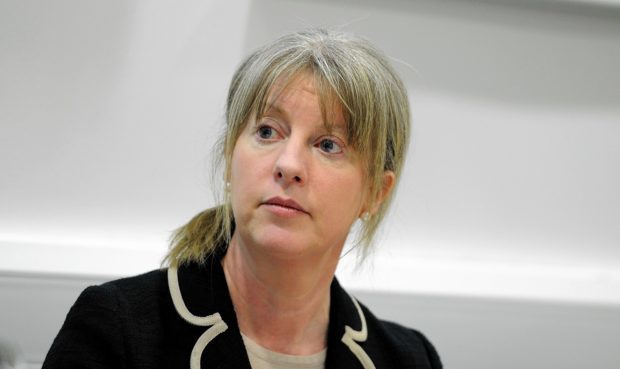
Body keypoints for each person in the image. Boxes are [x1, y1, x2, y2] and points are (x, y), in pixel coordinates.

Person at [42, 28, 442, 369]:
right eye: (268, 131)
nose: (288, 164)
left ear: (375, 191)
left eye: (327, 144)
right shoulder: (116, 330)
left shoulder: (410, 359)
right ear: (232, 155)